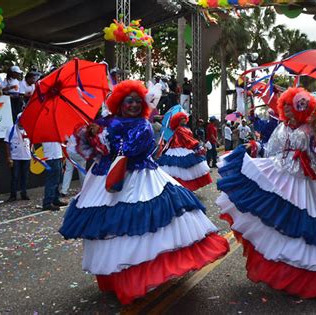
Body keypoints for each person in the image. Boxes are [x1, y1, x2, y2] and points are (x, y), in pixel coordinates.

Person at [58, 80, 229, 305]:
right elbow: (92, 149)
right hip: (104, 179)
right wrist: (92, 134)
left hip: (136, 178)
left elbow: (131, 150)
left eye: (138, 101)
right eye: (129, 101)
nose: (134, 105)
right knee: (107, 228)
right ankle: (113, 276)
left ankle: (138, 277)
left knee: (138, 226)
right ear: (119, 102)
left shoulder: (143, 125)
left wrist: (105, 140)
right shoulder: (105, 121)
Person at [216, 87, 316, 298]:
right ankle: (282, 264)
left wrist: (314, 128)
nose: (288, 113)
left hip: (304, 184)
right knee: (279, 222)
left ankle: (311, 271)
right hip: (281, 176)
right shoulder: (281, 128)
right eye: (285, 109)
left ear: (303, 110)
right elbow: (272, 150)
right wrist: (257, 147)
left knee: (307, 226)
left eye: (292, 109)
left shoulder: (313, 129)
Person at [157, 112, 212, 191]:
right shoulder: (179, 129)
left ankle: (184, 188)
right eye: (181, 119)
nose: (184, 120)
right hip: (180, 149)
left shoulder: (183, 128)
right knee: (182, 170)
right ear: (178, 121)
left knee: (186, 170)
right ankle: (182, 188)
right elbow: (187, 139)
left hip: (185, 149)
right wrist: (196, 145)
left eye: (184, 119)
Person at [4, 113, 32, 201]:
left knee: (25, 176)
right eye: (22, 120)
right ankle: (13, 195)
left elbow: (31, 141)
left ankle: (24, 193)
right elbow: (7, 143)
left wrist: (32, 153)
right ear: (18, 119)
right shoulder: (11, 129)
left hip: (26, 156)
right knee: (15, 176)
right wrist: (9, 157)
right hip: (15, 157)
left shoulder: (28, 128)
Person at [42, 142, 67, 211]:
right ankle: (47, 203)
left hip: (57, 156)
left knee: (57, 180)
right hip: (51, 157)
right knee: (52, 181)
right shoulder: (47, 132)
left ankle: (55, 199)